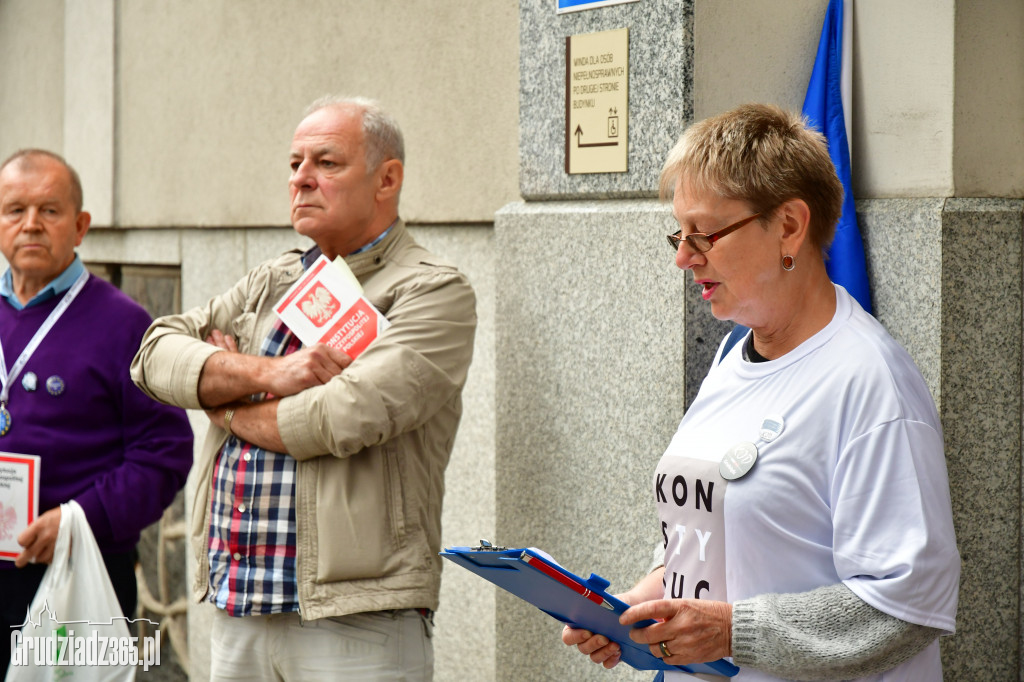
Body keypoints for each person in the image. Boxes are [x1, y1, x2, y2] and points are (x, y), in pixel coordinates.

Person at [561, 103, 960, 681]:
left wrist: (729, 631)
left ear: (790, 226)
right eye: (680, 233)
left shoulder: (871, 385)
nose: (682, 257)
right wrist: (628, 614)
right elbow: (701, 549)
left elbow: (906, 607)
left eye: (704, 234)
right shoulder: (732, 357)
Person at [130, 96, 477, 681]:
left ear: (387, 178)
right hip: (239, 602)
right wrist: (270, 375)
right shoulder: (274, 279)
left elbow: (342, 416)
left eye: (326, 163)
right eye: (294, 164)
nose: (301, 180)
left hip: (358, 618)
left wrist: (224, 406)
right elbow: (152, 354)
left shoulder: (432, 291)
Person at [0, 149, 194, 668]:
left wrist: (79, 517)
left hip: (80, 570)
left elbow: (165, 453)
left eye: (50, 210)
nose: (31, 225)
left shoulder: (124, 324)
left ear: (81, 225)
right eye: (15, 210)